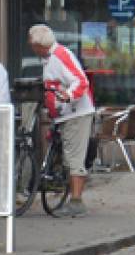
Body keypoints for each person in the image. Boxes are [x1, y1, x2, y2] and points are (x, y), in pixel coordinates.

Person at [30, 24, 94, 217]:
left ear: (38, 44)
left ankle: (77, 202)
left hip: (76, 112)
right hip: (64, 113)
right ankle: (72, 197)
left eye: (31, 44)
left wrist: (67, 96)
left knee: (74, 157)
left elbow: (81, 81)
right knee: (68, 155)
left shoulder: (59, 55)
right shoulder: (48, 58)